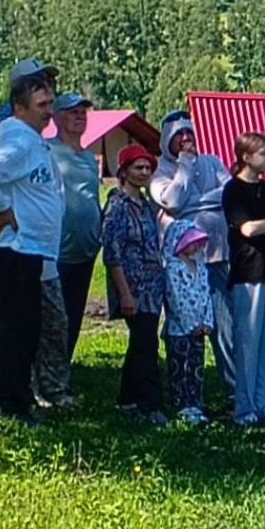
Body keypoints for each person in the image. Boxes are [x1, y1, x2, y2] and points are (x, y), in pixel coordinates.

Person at [0, 76, 62, 425]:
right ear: (19, 108)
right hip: (13, 250)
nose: (50, 112)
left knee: (21, 329)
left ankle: (6, 397)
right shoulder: (19, 141)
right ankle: (12, 405)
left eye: (51, 103)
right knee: (19, 331)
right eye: (42, 105)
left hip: (25, 250)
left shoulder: (30, 141)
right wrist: (2, 208)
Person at [150, 110, 235, 395]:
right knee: (185, 324)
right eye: (179, 136)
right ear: (167, 140)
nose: (186, 139)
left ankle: (234, 389)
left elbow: (229, 192)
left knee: (225, 324)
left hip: (216, 255)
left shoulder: (211, 161)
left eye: (189, 133)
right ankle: (185, 388)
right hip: (181, 265)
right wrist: (184, 165)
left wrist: (193, 203)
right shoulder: (160, 170)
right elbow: (172, 201)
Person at [35, 91, 102, 408]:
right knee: (50, 321)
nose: (79, 116)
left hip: (85, 251)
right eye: (72, 112)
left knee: (72, 319)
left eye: (83, 112)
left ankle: (60, 380)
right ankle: (39, 383)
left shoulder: (90, 157)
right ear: (57, 118)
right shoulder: (48, 151)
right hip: (56, 252)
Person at [222, 132, 265, 427]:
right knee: (248, 341)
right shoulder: (233, 190)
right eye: (264, 153)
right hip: (247, 273)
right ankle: (245, 407)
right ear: (246, 157)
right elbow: (246, 229)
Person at [103, 144, 169, 426]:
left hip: (153, 285)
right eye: (137, 168)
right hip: (132, 286)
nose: (143, 173)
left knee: (141, 342)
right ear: (124, 171)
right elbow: (111, 253)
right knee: (146, 345)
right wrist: (125, 293)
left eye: (147, 168)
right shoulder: (117, 206)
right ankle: (150, 405)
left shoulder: (147, 206)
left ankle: (127, 400)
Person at [162, 221, 213, 425]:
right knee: (180, 367)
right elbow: (175, 299)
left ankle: (196, 402)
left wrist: (206, 322)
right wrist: (191, 324)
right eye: (192, 242)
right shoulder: (173, 268)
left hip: (200, 329)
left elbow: (207, 295)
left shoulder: (200, 267)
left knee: (196, 365)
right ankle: (181, 404)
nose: (196, 247)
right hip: (179, 330)